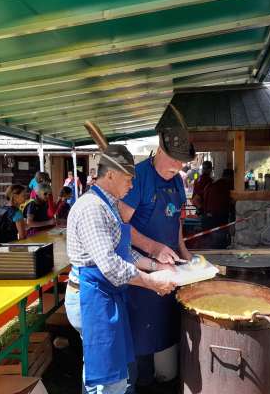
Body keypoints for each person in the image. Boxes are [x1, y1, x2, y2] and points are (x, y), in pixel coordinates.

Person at [65, 144, 176, 394]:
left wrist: (156, 264)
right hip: (91, 297)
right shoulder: (92, 209)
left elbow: (123, 250)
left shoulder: (110, 205)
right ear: (111, 174)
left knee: (108, 368)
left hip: (105, 294)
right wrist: (152, 282)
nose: (132, 185)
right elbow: (111, 266)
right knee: (107, 374)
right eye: (128, 179)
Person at [118, 110, 196, 392]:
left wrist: (185, 252)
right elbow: (122, 228)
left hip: (169, 268)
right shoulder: (138, 177)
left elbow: (176, 220)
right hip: (140, 271)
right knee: (139, 335)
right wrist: (154, 249)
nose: (177, 166)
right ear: (159, 148)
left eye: (182, 162)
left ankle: (164, 379)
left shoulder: (176, 180)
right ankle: (139, 381)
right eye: (173, 159)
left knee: (166, 326)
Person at [201, 169, 234, 248]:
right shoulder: (225, 186)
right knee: (218, 241)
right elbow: (228, 201)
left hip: (207, 216)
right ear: (230, 177)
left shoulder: (212, 184)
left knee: (209, 241)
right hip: (218, 217)